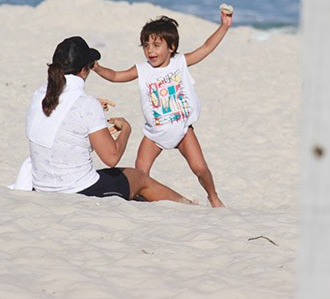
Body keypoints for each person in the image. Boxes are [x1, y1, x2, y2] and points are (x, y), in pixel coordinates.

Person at [16, 36, 193, 204]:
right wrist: (126, 130)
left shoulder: (39, 95)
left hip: (42, 187)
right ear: (84, 70)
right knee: (139, 178)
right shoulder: (86, 104)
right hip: (78, 191)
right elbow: (112, 157)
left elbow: (63, 135)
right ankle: (188, 206)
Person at [93, 11, 232, 207]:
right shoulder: (142, 69)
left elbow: (207, 47)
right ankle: (143, 199)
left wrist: (224, 26)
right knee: (140, 173)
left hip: (183, 130)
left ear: (171, 47)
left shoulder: (180, 63)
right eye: (146, 46)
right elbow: (116, 76)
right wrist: (98, 69)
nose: (150, 51)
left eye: (157, 45)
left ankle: (213, 196)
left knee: (200, 168)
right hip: (154, 134)